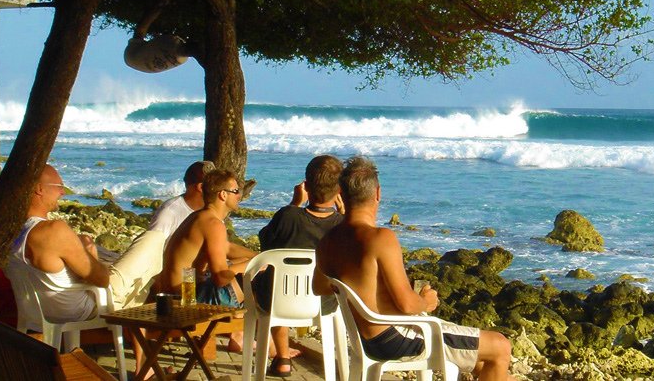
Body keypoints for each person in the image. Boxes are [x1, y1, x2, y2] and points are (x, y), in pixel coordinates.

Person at [314, 157, 514, 381]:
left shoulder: (327, 241)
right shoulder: (381, 238)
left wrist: (364, 290)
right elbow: (408, 305)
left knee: (480, 359)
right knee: (500, 346)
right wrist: (426, 302)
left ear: (340, 194)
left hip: (367, 339)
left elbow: (320, 287)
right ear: (378, 193)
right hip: (395, 338)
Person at [8, 164, 165, 377]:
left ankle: (143, 368)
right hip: (83, 306)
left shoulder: (16, 229)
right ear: (38, 189)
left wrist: (81, 246)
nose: (63, 192)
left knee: (139, 282)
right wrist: (91, 255)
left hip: (39, 309)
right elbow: (101, 279)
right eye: (58, 186)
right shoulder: (54, 230)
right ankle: (143, 369)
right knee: (154, 240)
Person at [255, 155, 344, 376]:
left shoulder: (288, 216)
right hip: (324, 303)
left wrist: (294, 203)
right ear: (339, 191)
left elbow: (265, 244)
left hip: (277, 301)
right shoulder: (343, 225)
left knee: (274, 280)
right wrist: (345, 214)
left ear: (305, 185)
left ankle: (282, 358)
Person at [157, 168, 257, 351]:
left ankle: (240, 336)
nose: (240, 196)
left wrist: (259, 256)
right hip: (185, 300)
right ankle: (256, 339)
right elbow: (220, 277)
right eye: (236, 191)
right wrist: (253, 265)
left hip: (175, 292)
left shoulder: (201, 217)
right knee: (256, 278)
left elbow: (226, 248)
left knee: (247, 266)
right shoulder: (213, 224)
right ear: (222, 195)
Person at [148, 160, 215, 244]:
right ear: (201, 187)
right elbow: (151, 247)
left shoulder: (213, 211)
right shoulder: (169, 212)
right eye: (215, 184)